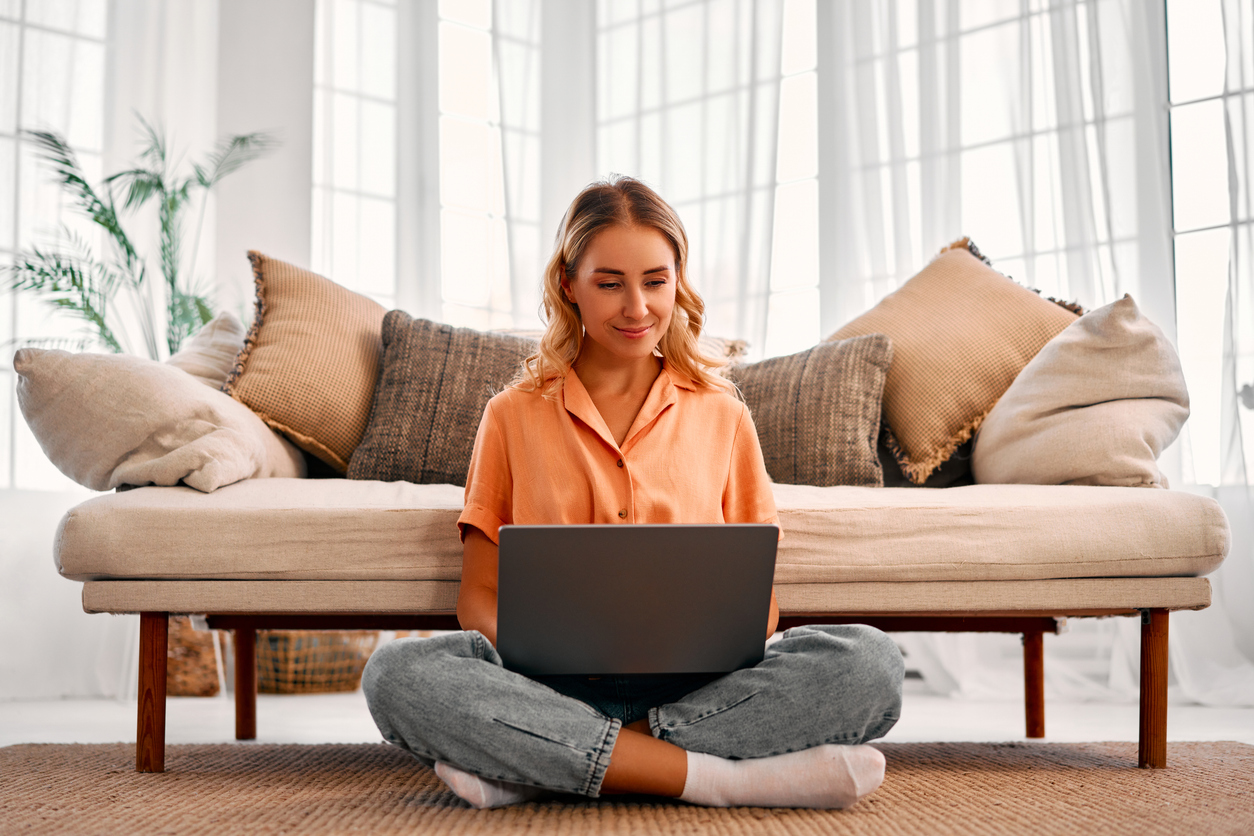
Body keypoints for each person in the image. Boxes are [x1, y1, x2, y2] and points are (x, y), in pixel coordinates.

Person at [362, 176, 903, 809]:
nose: (637, 307)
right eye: (610, 282)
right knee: (399, 676)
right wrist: (538, 660)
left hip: (696, 689)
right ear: (570, 285)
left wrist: (719, 641)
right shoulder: (510, 414)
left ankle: (546, 764)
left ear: (678, 281)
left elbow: (760, 602)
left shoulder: (722, 413)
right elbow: (480, 597)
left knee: (870, 662)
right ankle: (717, 779)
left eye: (654, 280)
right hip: (551, 690)